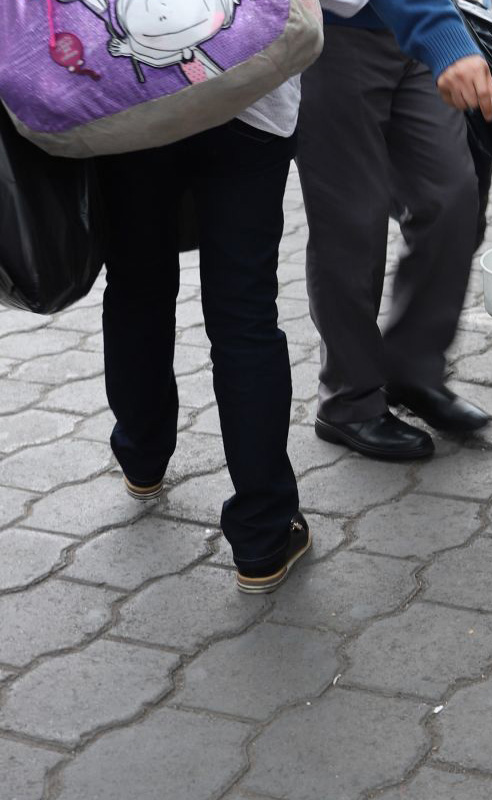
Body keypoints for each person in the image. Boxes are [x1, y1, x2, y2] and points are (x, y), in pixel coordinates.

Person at [97, 78, 308, 593]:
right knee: (244, 315)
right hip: (247, 93)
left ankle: (142, 459)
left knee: (135, 285)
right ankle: (262, 539)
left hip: (133, 94)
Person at [296, 0, 492, 461]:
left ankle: (412, 371)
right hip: (334, 33)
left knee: (451, 199)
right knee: (351, 222)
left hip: (422, 31)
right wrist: (443, 34)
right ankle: (349, 400)